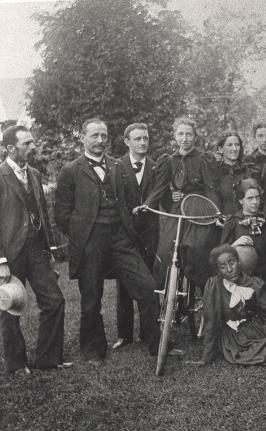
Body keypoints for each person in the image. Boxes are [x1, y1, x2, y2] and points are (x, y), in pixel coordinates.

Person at [54, 118, 160, 364]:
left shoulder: (117, 166)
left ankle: (156, 343)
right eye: (95, 136)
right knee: (92, 298)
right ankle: (93, 349)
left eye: (103, 135)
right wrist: (83, 235)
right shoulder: (70, 170)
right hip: (91, 242)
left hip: (121, 238)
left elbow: (129, 200)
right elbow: (61, 214)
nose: (100, 140)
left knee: (147, 286)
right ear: (83, 138)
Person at [0, 125, 68, 374]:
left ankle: (47, 359)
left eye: (31, 142)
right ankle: (16, 364)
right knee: (10, 308)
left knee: (55, 301)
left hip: (37, 251)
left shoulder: (36, 174)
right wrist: (1, 260)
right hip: (10, 253)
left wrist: (49, 251)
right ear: (10, 148)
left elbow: (42, 214)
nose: (32, 146)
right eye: (26, 144)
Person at [195, 245, 266, 367]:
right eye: (223, 267)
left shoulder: (253, 283)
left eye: (231, 263)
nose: (229, 269)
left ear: (238, 262)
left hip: (256, 329)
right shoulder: (214, 286)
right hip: (235, 338)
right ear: (218, 271)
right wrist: (206, 357)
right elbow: (211, 322)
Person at [138, 117, 219, 288]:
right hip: (177, 211)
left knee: (195, 252)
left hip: (198, 210)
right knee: (167, 251)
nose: (185, 138)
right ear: (174, 136)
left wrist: (215, 212)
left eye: (189, 134)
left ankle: (197, 295)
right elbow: (159, 188)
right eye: (180, 134)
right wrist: (148, 204)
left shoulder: (204, 158)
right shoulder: (168, 160)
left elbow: (210, 188)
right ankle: (170, 298)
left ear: (195, 136)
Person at [113, 123, 159, 350]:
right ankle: (124, 334)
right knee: (124, 285)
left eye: (146, 138)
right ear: (127, 141)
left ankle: (149, 333)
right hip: (125, 235)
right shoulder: (116, 166)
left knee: (149, 281)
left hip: (150, 235)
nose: (142, 143)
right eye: (138, 139)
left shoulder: (156, 166)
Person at [220, 178, 266, 299]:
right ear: (241, 200)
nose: (255, 202)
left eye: (257, 197)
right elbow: (221, 255)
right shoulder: (233, 221)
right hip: (242, 278)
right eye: (250, 198)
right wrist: (234, 245)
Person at [211, 131, 259, 217]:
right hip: (221, 224)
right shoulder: (214, 173)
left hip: (245, 223)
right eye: (229, 145)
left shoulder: (249, 171)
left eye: (237, 145)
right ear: (220, 149)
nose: (234, 149)